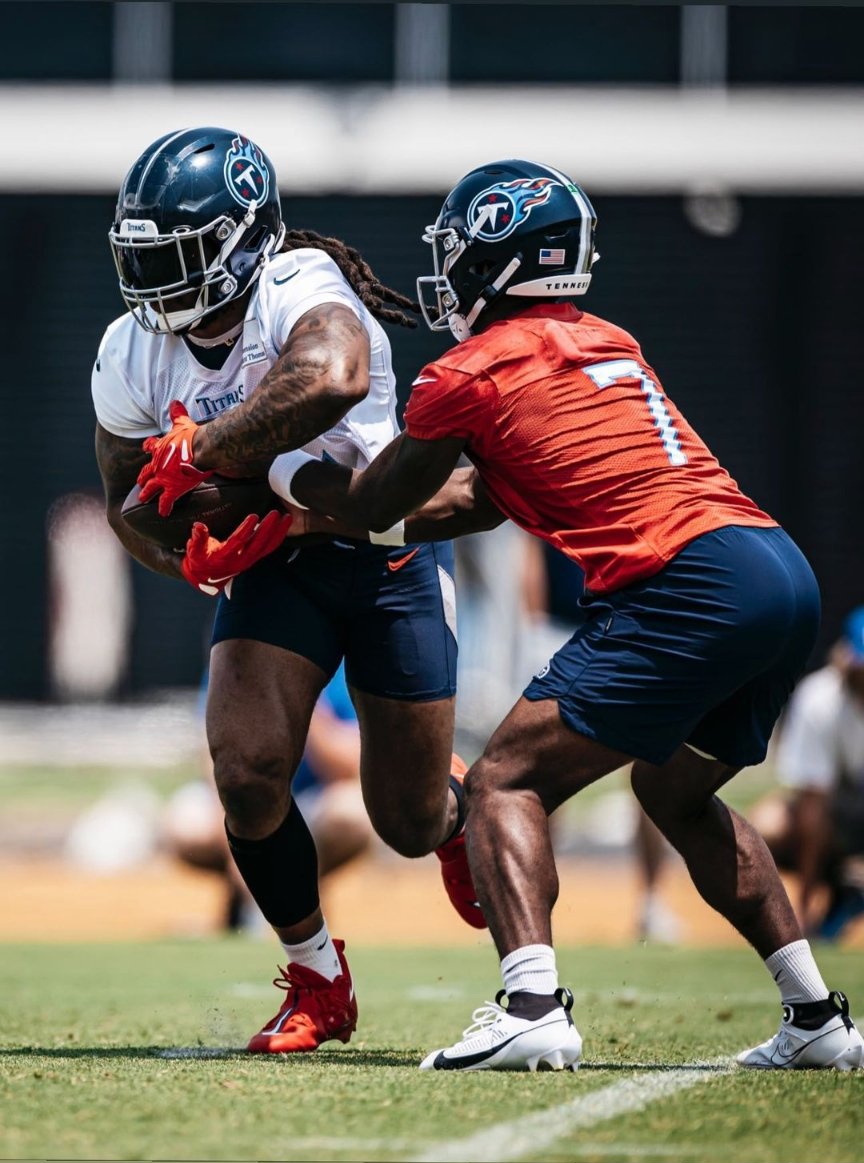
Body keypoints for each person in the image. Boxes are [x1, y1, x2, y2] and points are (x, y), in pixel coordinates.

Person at [270, 159, 864, 1071]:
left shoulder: (469, 369)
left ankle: (531, 1003)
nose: (450, 267)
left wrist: (270, 479)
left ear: (497, 257)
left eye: (462, 248)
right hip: (774, 569)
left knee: (504, 779)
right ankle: (816, 1016)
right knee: (673, 790)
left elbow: (374, 499)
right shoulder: (607, 339)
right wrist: (319, 506)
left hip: (687, 578)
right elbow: (480, 500)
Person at [91, 126, 485, 1056]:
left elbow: (330, 379)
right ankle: (317, 978)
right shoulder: (130, 348)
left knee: (406, 816)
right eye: (141, 256)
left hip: (379, 544)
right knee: (247, 776)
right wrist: (187, 554)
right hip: (274, 562)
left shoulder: (301, 286)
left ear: (240, 240)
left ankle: (463, 819)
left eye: (175, 255)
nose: (153, 280)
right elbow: (126, 503)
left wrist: (204, 449)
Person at [522, 539, 682, 944]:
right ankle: (532, 905)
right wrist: (533, 625)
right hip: (559, 628)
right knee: (533, 770)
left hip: (626, 627)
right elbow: (529, 549)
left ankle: (651, 901)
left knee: (649, 766)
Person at [164, 663, 373, 932]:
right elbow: (213, 761)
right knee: (187, 824)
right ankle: (247, 897)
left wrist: (301, 702)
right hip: (244, 803)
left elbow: (350, 767)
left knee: (350, 812)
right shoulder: (235, 649)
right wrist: (234, 848)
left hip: (309, 802)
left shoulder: (342, 664)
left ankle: (305, 899)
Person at [750, 606, 864, 941]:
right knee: (767, 826)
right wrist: (803, 909)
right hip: (840, 814)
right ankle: (832, 892)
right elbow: (813, 804)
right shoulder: (819, 699)